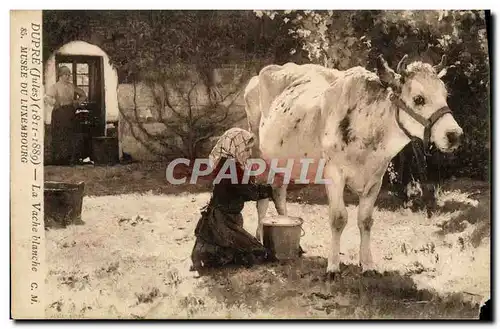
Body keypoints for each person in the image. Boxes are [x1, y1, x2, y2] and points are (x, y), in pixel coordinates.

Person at [190, 128, 277, 272]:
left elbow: (246, 187)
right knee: (259, 253)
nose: (249, 153)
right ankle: (214, 256)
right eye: (246, 149)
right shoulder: (230, 167)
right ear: (236, 147)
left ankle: (214, 254)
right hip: (222, 221)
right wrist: (270, 188)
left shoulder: (229, 164)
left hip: (224, 219)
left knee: (246, 250)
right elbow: (250, 193)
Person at [44, 65, 87, 165]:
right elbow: (47, 97)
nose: (68, 77)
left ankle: (68, 159)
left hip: (70, 112)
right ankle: (59, 160)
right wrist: (55, 103)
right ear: (60, 75)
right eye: (65, 75)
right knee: (59, 136)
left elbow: (83, 94)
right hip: (59, 114)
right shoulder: (55, 86)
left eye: (69, 74)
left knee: (69, 135)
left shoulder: (71, 86)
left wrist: (77, 102)